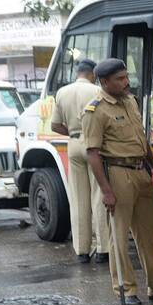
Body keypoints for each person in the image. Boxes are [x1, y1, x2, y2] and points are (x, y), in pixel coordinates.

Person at [83, 59, 153, 305]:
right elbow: (92, 153)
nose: (126, 82)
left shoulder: (130, 101)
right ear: (104, 82)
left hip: (141, 171)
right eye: (120, 79)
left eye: (126, 77)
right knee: (120, 236)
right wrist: (106, 190)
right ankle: (126, 288)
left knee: (151, 234)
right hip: (117, 173)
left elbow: (142, 141)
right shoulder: (95, 110)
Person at [50, 59, 108, 264]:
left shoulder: (62, 92)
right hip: (94, 144)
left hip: (73, 144)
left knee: (78, 199)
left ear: (78, 73)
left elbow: (55, 125)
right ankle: (103, 249)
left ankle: (82, 250)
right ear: (93, 73)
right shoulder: (97, 91)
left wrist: (73, 133)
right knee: (99, 195)